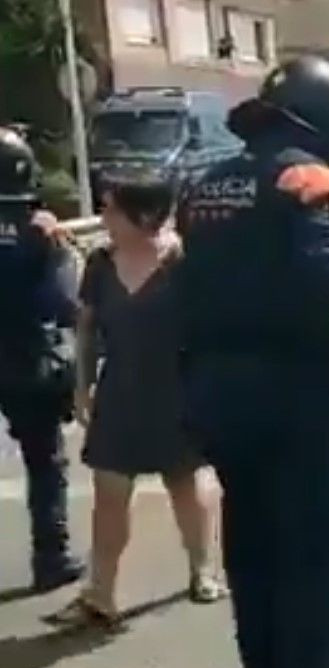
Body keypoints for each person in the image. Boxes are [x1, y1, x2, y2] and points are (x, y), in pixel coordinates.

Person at [175, 55, 329, 668]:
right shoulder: (308, 182)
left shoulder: (204, 186)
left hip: (215, 396)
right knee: (308, 560)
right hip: (292, 398)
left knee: (251, 551)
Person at [49, 169, 225, 629]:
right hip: (120, 391)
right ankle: (100, 592)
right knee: (109, 494)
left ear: (143, 216)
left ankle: (202, 569)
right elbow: (86, 329)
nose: (103, 216)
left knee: (184, 484)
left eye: (110, 208)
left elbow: (211, 333)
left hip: (176, 391)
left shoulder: (185, 262)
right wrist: (82, 385)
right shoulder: (100, 263)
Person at [0, 125, 84, 593]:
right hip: (29, 358)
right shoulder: (40, 231)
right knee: (45, 463)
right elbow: (64, 304)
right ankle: (51, 558)